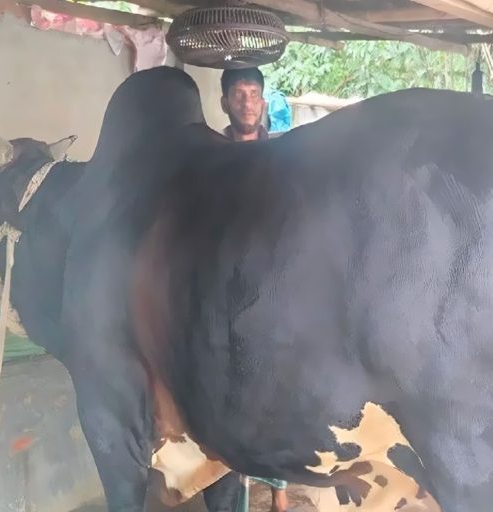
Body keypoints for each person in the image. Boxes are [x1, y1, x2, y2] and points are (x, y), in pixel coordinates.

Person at [219, 66, 289, 512]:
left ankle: (280, 493)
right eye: (238, 93)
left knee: (274, 393)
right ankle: (237, 495)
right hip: (224, 291)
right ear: (224, 102)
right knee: (231, 396)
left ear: (263, 101)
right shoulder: (210, 155)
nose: (247, 101)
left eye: (253, 93)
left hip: (272, 289)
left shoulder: (282, 154)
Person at [220, 67, 270, 142]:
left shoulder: (279, 148)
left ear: (262, 104)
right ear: (225, 105)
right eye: (238, 94)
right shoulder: (211, 148)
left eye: (254, 94)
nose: (247, 104)